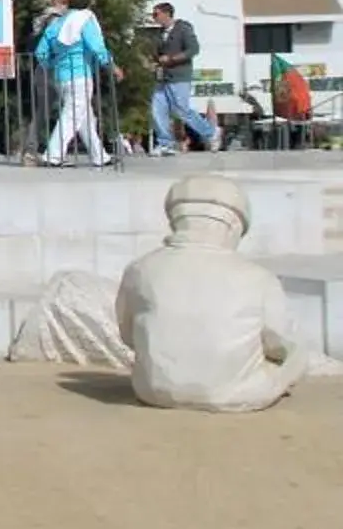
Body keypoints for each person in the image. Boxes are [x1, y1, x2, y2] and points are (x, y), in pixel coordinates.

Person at [116, 175, 309, 411]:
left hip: (153, 391)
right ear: (234, 228)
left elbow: (127, 336)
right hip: (238, 395)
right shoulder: (259, 278)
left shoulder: (140, 269)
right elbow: (283, 345)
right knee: (293, 355)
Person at [34, 0, 116, 168]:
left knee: (84, 117)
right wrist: (111, 66)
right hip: (81, 75)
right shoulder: (85, 19)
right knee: (72, 116)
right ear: (88, 4)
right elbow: (96, 46)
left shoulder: (57, 23)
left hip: (61, 77)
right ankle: (53, 155)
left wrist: (52, 65)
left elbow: (40, 52)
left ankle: (100, 156)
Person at [148, 0, 221, 155]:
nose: (154, 18)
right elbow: (158, 54)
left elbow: (193, 49)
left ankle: (211, 132)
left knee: (182, 110)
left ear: (167, 14)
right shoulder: (160, 33)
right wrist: (153, 63)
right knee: (157, 109)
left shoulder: (183, 29)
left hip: (179, 76)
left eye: (156, 14)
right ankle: (165, 143)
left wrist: (172, 59)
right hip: (163, 77)